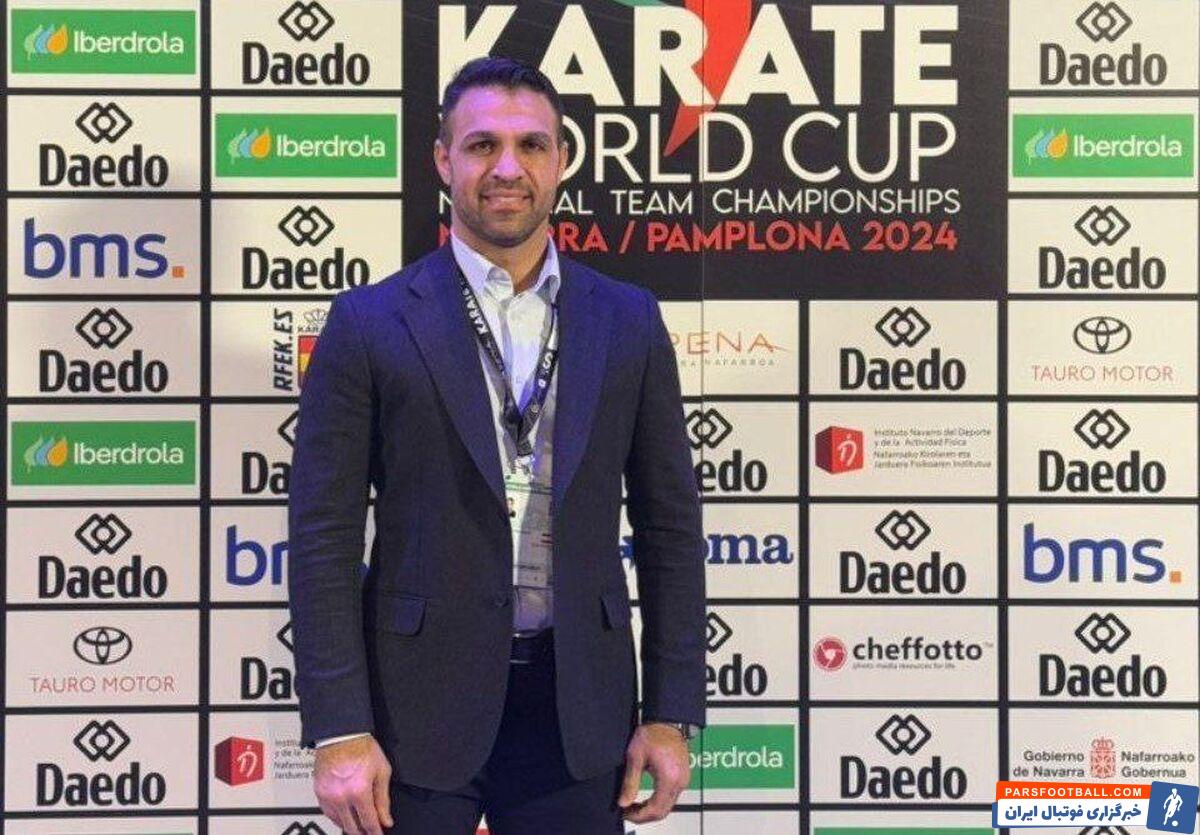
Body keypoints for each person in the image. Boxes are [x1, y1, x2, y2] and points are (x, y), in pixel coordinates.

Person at [287, 56, 706, 834]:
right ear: (443, 159)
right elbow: (323, 537)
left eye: (531, 145)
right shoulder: (369, 322)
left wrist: (670, 711)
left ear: (561, 160)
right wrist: (340, 725)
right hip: (411, 710)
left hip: (580, 713)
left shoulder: (628, 320)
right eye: (482, 145)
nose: (507, 168)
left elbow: (671, 526)